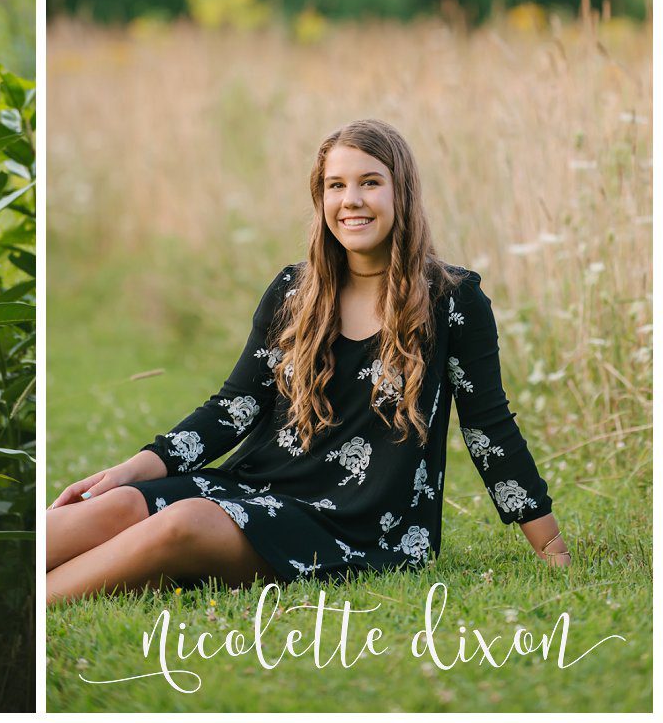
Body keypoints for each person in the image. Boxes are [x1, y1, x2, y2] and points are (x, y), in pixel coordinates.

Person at [46, 119, 567, 603]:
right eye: (335, 186)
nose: (351, 200)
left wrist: (552, 549)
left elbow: (489, 430)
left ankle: (38, 608)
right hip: (259, 489)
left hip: (360, 528)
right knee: (118, 504)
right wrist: (129, 471)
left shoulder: (452, 300)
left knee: (184, 522)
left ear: (402, 192)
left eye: (370, 182)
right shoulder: (294, 291)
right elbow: (234, 408)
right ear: (320, 199)